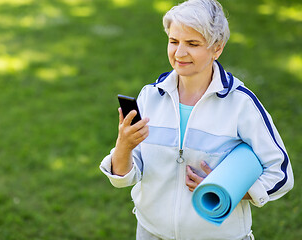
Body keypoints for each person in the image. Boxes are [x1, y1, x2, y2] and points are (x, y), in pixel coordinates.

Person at [100, 0, 294, 239]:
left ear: (217, 48)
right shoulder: (150, 97)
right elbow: (123, 179)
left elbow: (281, 173)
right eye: (174, 41)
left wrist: (225, 188)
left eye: (192, 43)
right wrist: (124, 145)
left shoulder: (240, 104)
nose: (180, 53)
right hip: (150, 232)